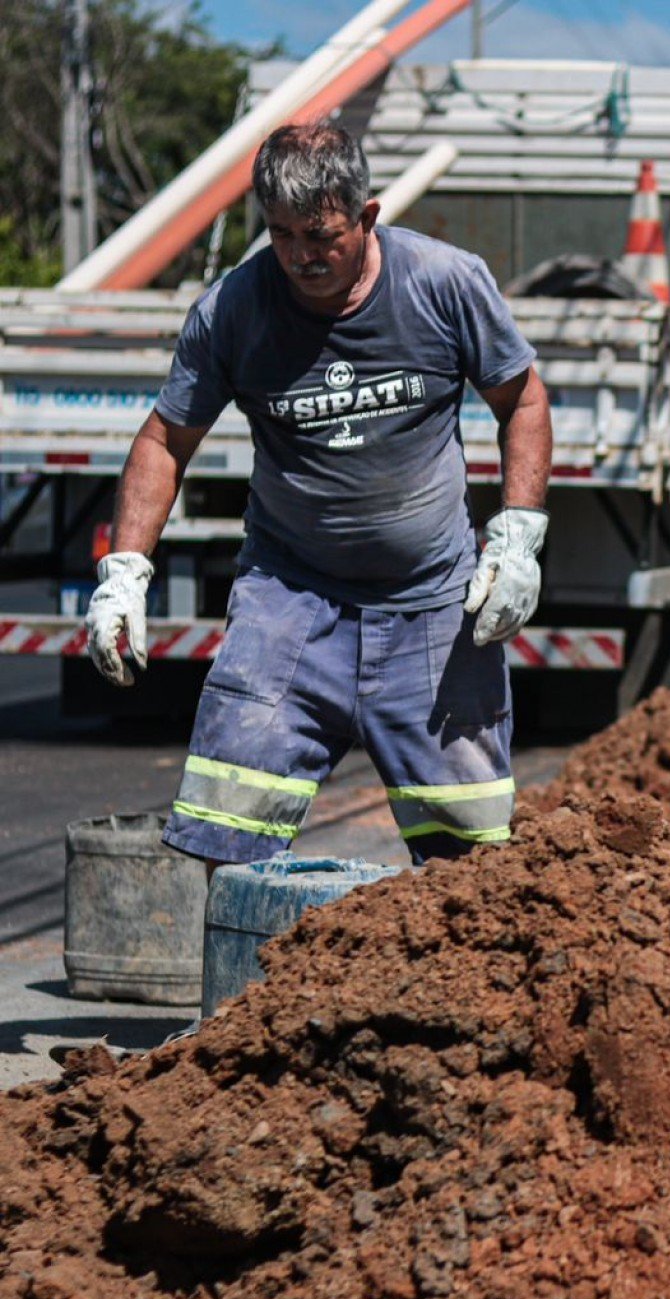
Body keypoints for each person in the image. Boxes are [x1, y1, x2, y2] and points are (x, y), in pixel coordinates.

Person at [84, 122, 553, 865]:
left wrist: (518, 534)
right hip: (290, 601)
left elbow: (521, 400)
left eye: (321, 234)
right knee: (223, 826)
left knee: (473, 860)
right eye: (280, 234)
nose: (301, 255)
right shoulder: (234, 309)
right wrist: (124, 573)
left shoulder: (443, 282)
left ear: (366, 217)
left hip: (432, 603)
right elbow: (164, 441)